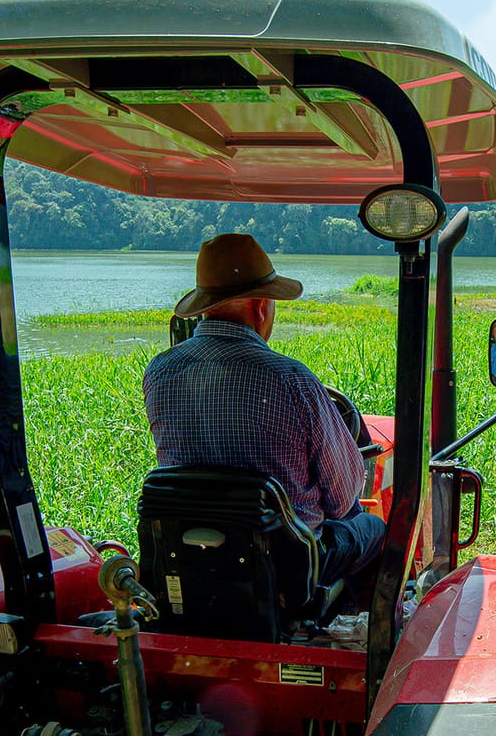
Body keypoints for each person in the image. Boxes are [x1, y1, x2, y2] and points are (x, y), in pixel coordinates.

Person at [143, 234, 384, 583]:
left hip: (188, 559)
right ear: (260, 307)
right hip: (285, 571)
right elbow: (343, 500)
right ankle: (357, 628)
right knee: (371, 527)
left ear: (204, 306)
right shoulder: (293, 380)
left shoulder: (159, 372)